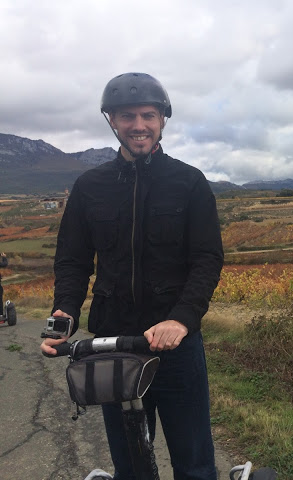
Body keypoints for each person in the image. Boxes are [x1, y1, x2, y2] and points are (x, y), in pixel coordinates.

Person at [40, 72, 224, 480]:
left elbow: (207, 258)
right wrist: (65, 312)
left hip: (176, 346)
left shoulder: (189, 183)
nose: (138, 125)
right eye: (127, 116)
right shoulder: (90, 186)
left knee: (194, 465)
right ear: (112, 121)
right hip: (113, 346)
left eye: (147, 115)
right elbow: (72, 259)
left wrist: (182, 318)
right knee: (130, 466)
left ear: (162, 120)